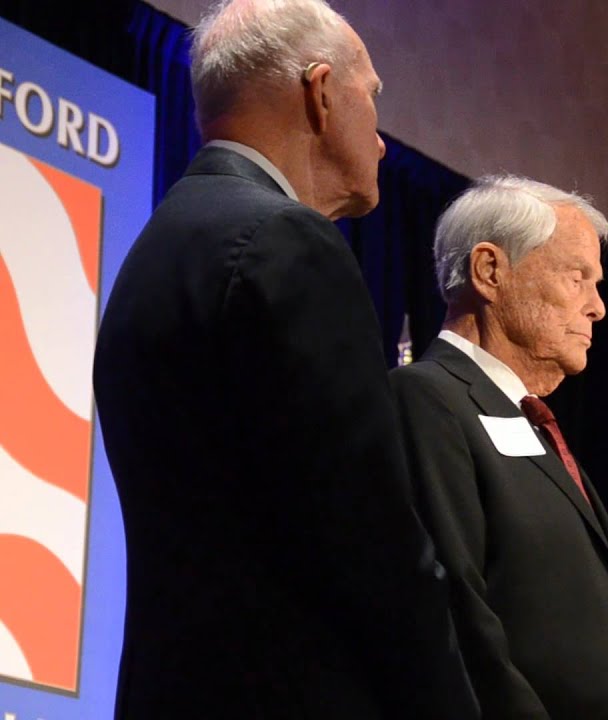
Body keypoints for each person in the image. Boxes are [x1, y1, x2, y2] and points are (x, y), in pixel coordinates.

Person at [92, 1, 475, 717]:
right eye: (372, 94)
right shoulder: (284, 243)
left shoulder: (154, 253)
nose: (385, 141)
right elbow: (373, 541)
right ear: (321, 91)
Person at [389, 174, 608, 718]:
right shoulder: (428, 399)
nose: (598, 308)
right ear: (490, 271)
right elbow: (455, 606)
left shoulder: (532, 422)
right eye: (577, 278)